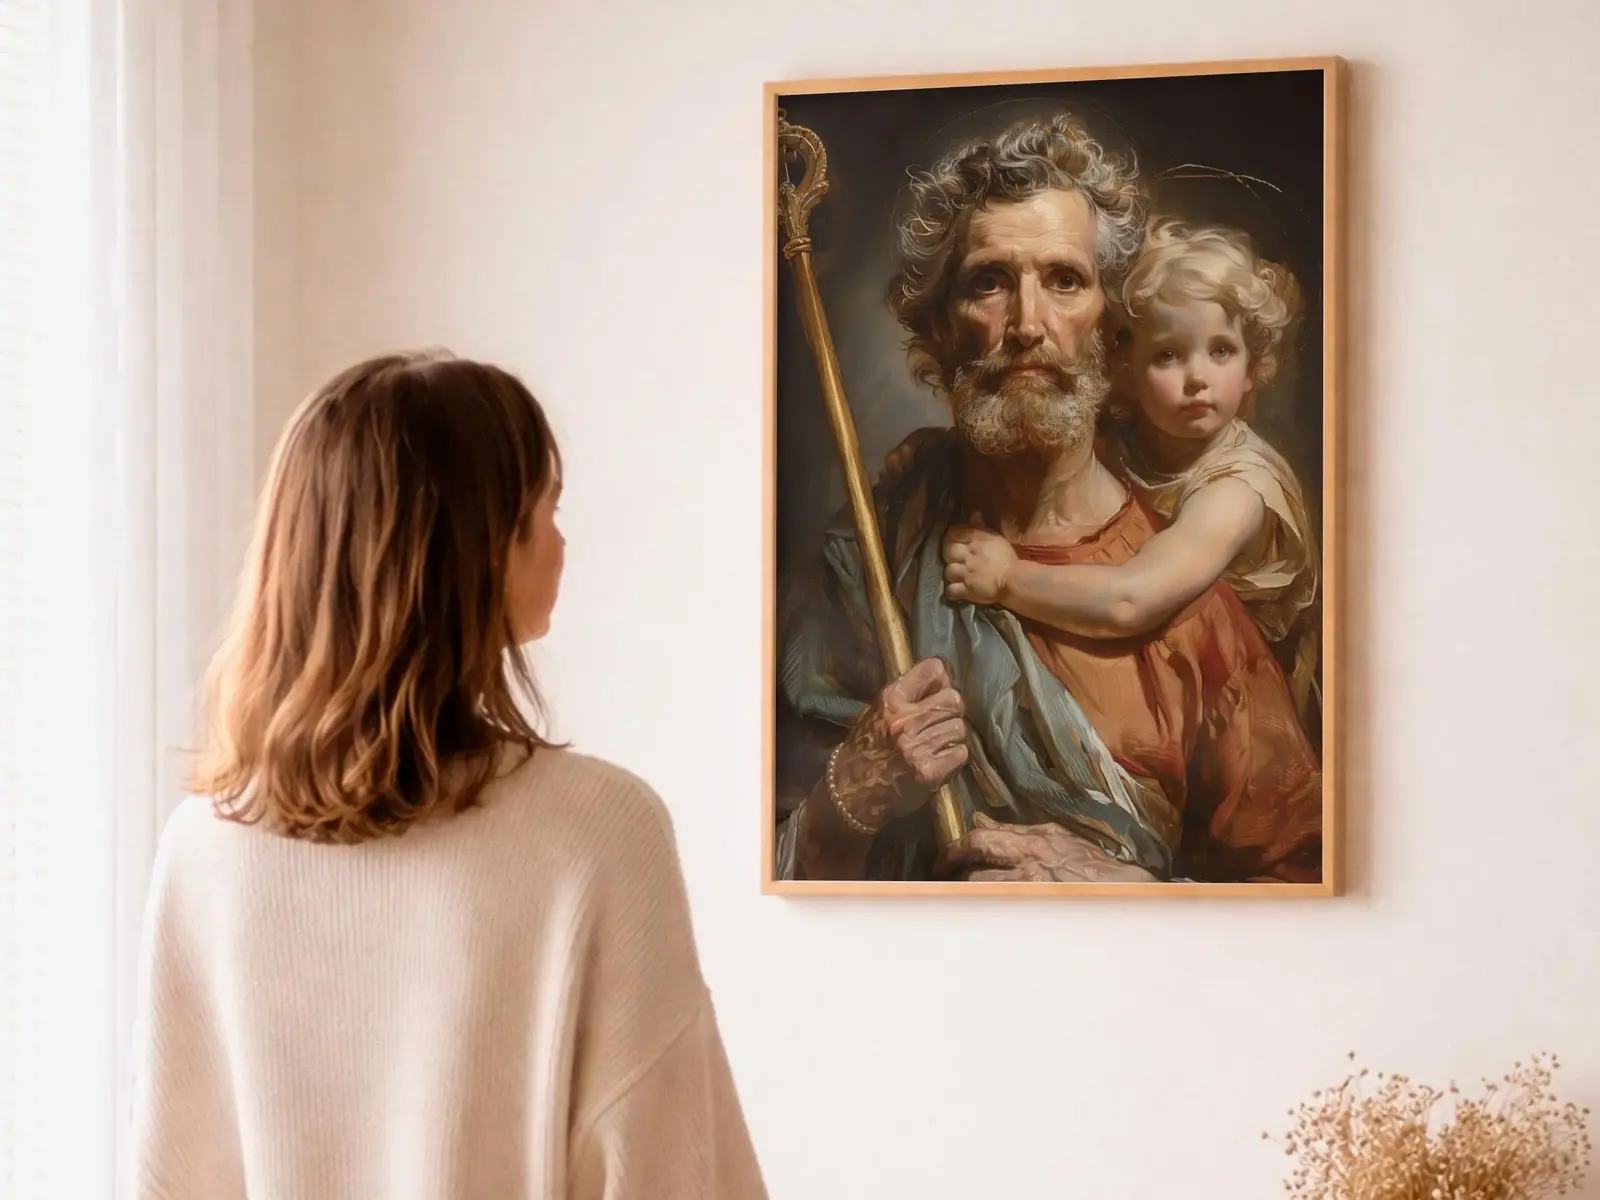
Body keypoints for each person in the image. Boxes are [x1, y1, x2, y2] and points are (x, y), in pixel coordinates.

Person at [129, 351, 767, 1198]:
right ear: (476, 550)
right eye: (543, 511)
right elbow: (667, 1171)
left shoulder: (205, 850)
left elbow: (171, 1176)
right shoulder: (598, 833)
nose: (562, 542)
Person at [775, 114, 1323, 885]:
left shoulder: (1190, 609)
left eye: (1065, 281)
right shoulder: (866, 556)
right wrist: (854, 791)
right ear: (940, 325)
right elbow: (755, 877)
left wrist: (1129, 894)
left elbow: (1308, 884)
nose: (1028, 325)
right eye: (989, 282)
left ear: (1114, 325)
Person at [939, 215, 1322, 730]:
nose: (1198, 379)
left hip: (1242, 706)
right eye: (1167, 355)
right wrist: (929, 450)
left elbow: (1129, 600)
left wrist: (1006, 579)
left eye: (1222, 351)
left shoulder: (1238, 490)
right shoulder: (1129, 433)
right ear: (1126, 371)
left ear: (1253, 367)